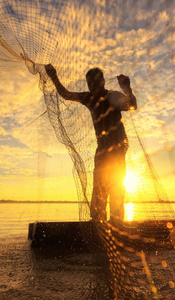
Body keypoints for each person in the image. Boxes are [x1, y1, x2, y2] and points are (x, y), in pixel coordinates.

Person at [45, 64, 137, 222]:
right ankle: (97, 220)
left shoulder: (113, 96)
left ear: (102, 81)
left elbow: (132, 105)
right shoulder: (88, 98)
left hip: (118, 147)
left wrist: (127, 89)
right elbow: (66, 94)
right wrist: (54, 77)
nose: (92, 86)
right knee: (99, 184)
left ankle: (117, 221)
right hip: (102, 149)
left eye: (95, 83)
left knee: (116, 183)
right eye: (89, 84)